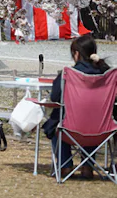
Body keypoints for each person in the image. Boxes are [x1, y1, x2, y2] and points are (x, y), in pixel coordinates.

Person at [43, 35, 110, 178]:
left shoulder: (69, 74)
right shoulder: (107, 74)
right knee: (93, 117)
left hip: (70, 130)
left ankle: (65, 165)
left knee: (58, 121)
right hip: (102, 130)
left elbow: (55, 97)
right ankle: (87, 166)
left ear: (76, 54)